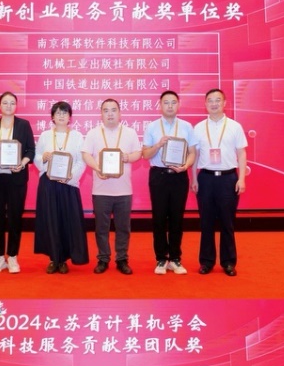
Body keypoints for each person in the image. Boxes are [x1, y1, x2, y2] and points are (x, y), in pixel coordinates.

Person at [191, 88, 247, 276]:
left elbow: (241, 153)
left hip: (228, 179)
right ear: (205, 104)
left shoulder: (235, 126)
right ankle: (206, 262)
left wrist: (241, 179)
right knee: (205, 222)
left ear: (224, 103)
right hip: (205, 178)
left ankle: (228, 262)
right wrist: (194, 178)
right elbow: (195, 155)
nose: (214, 104)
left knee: (227, 222)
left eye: (217, 100)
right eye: (210, 100)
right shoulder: (198, 128)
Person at [82, 98, 142, 274]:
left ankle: (122, 259)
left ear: (120, 113)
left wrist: (127, 157)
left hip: (124, 190)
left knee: (123, 228)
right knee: (101, 228)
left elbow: (138, 153)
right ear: (101, 114)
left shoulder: (130, 133)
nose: (110, 114)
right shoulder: (93, 133)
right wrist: (97, 168)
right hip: (101, 190)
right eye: (106, 110)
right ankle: (103, 258)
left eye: (113, 110)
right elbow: (86, 154)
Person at [141, 89, 196, 274]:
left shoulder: (187, 127)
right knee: (159, 218)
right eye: (166, 102)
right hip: (159, 176)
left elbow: (192, 153)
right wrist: (158, 145)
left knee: (176, 218)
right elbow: (145, 154)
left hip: (179, 176)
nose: (170, 106)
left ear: (178, 105)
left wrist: (186, 166)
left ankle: (175, 258)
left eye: (173, 102)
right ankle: (161, 259)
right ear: (160, 105)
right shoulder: (152, 127)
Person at [33, 100, 88, 273]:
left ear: (70, 117)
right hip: (48, 183)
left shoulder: (77, 136)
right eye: (58, 113)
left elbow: (81, 161)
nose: (61, 116)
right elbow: (36, 156)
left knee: (67, 221)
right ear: (52, 117)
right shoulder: (45, 136)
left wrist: (71, 177)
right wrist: (43, 158)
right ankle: (53, 259)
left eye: (65, 113)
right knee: (50, 220)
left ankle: (63, 259)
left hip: (68, 185)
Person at [0, 90, 35, 273]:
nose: (8, 106)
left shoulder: (24, 125)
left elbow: (31, 150)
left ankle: (12, 256)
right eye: (5, 102)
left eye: (12, 103)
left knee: (15, 218)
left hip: (16, 179)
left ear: (16, 106)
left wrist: (23, 163)